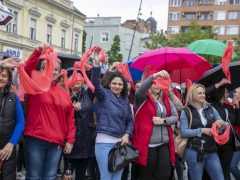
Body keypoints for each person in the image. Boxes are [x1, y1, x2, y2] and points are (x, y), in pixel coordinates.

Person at [23, 44, 76, 180]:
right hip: (36, 139)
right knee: (34, 176)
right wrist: (37, 52)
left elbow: (70, 118)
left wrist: (70, 140)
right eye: (49, 67)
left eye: (56, 69)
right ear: (42, 70)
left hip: (56, 142)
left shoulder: (64, 93)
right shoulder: (35, 85)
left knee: (50, 177)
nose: (53, 71)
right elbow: (27, 70)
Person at [92, 51, 134, 180]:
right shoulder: (103, 95)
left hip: (119, 145)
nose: (117, 86)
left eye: (120, 84)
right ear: (109, 84)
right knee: (106, 177)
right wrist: (97, 64)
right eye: (114, 83)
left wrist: (127, 134)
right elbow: (96, 84)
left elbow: (130, 121)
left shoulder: (125, 100)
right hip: (103, 143)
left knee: (117, 177)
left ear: (123, 87)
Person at [132, 68, 178, 180]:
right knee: (146, 175)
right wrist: (154, 76)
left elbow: (176, 117)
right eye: (154, 84)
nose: (157, 86)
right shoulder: (142, 98)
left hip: (164, 144)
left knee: (164, 175)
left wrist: (164, 121)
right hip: (148, 145)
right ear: (151, 85)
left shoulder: (165, 99)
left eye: (159, 84)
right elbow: (140, 90)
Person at [180, 84, 225, 180]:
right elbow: (184, 132)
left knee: (220, 178)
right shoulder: (186, 111)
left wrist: (222, 125)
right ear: (192, 95)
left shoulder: (211, 108)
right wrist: (202, 130)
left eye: (204, 93)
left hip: (211, 149)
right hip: (194, 151)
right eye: (199, 93)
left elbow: (222, 127)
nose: (203, 95)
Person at [205, 78, 240, 180]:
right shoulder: (211, 105)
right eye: (225, 92)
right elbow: (206, 92)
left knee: (225, 171)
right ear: (220, 93)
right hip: (214, 144)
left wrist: (237, 106)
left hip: (228, 144)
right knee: (214, 172)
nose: (227, 95)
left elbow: (237, 121)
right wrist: (219, 83)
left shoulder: (228, 107)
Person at [63, 75, 96, 180]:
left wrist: (86, 69)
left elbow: (95, 83)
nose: (76, 84)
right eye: (74, 81)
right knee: (67, 174)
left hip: (86, 141)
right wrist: (72, 109)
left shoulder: (88, 95)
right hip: (71, 141)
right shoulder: (65, 95)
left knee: (81, 175)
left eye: (79, 81)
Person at [0, 64, 24, 180]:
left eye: (4, 75)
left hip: (8, 151)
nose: (1, 78)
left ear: (9, 78)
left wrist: (11, 144)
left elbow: (20, 123)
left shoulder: (14, 97)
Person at [230, 87, 240, 180]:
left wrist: (237, 107)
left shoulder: (237, 106)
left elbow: (238, 121)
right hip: (234, 139)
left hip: (238, 140)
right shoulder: (234, 105)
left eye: (235, 92)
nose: (233, 94)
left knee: (232, 166)